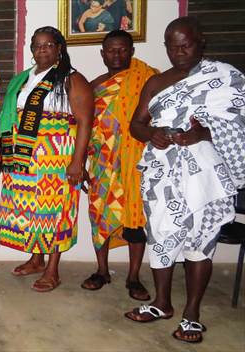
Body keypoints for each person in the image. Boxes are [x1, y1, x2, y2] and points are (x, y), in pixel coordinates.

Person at [125, 17, 245, 344]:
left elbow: (239, 125)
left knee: (200, 240)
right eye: (171, 46)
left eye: (185, 45)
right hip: (162, 174)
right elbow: (135, 125)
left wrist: (205, 132)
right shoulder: (156, 83)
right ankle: (162, 303)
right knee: (161, 235)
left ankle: (192, 313)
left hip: (205, 177)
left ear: (201, 41)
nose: (178, 52)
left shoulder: (224, 78)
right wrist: (152, 133)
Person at [0, 26, 93, 292]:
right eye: (37, 45)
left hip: (55, 158)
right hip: (25, 156)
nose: (42, 49)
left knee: (55, 212)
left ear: (59, 48)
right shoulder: (25, 78)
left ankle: (53, 269)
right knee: (32, 211)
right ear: (32, 49)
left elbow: (85, 122)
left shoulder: (72, 79)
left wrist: (78, 162)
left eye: (49, 45)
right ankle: (36, 259)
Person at [81, 30, 157, 300]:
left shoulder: (148, 80)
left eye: (123, 50)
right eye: (111, 50)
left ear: (132, 52)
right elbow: (82, 125)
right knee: (99, 216)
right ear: (102, 54)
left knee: (135, 222)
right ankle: (102, 271)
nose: (117, 55)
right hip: (102, 164)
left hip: (136, 165)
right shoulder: (93, 86)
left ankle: (134, 277)